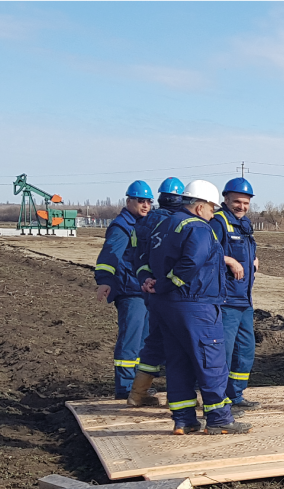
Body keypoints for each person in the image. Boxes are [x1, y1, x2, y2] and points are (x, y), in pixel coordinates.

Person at [145, 180, 251, 435]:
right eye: (212, 208)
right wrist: (170, 284)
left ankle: (184, 420)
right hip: (196, 303)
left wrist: (157, 285)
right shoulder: (199, 228)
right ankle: (219, 419)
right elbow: (192, 261)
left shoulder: (164, 224)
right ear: (200, 206)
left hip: (166, 307)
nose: (213, 213)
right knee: (211, 360)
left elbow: (147, 258)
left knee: (178, 362)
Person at [126, 177, 187, 407]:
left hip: (150, 291)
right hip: (174, 292)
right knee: (182, 344)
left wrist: (145, 278)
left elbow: (136, 256)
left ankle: (137, 394)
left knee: (155, 341)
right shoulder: (181, 222)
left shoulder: (142, 223)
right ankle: (182, 398)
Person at [94, 181, 153, 401]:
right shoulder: (121, 226)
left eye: (148, 201)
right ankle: (125, 389)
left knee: (144, 341)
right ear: (129, 201)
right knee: (130, 342)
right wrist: (105, 280)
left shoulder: (143, 224)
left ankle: (138, 389)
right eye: (140, 201)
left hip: (143, 291)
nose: (145, 205)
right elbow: (109, 256)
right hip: (130, 292)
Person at [214, 178, 261, 408]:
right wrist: (228, 259)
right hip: (226, 300)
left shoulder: (245, 224)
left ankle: (236, 396)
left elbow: (246, 248)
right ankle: (219, 399)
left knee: (245, 351)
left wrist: (253, 259)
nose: (241, 206)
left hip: (244, 300)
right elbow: (206, 253)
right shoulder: (218, 222)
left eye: (246, 202)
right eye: (237, 202)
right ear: (226, 199)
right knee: (223, 352)